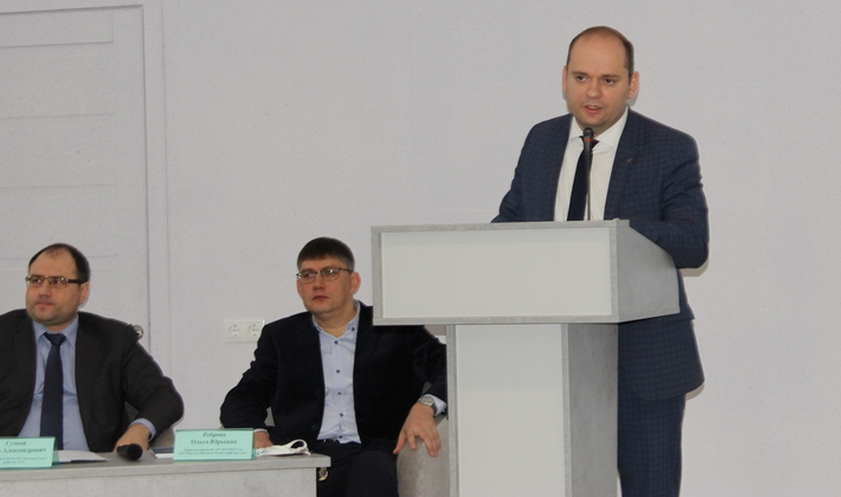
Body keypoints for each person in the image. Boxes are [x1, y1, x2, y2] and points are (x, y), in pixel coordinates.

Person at [493, 26, 708, 497]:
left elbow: (693, 243)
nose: (593, 92)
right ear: (564, 78)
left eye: (609, 80)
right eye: (582, 78)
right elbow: (509, 224)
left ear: (632, 84)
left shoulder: (669, 147)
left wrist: (612, 234)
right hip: (549, 360)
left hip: (643, 361)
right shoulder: (541, 140)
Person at [220, 237, 447, 497]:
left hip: (370, 452)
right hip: (304, 454)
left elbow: (451, 366)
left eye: (329, 273)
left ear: (353, 282)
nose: (317, 283)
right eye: (308, 275)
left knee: (372, 471)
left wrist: (425, 406)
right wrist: (257, 433)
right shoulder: (281, 337)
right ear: (299, 286)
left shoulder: (394, 329)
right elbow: (243, 396)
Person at [0, 243, 184, 453]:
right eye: (36, 280)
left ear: (83, 292)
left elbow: (163, 396)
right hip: (12, 466)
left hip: (93, 465)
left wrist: (140, 429)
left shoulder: (113, 340)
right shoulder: (4, 334)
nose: (43, 291)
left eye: (57, 282)